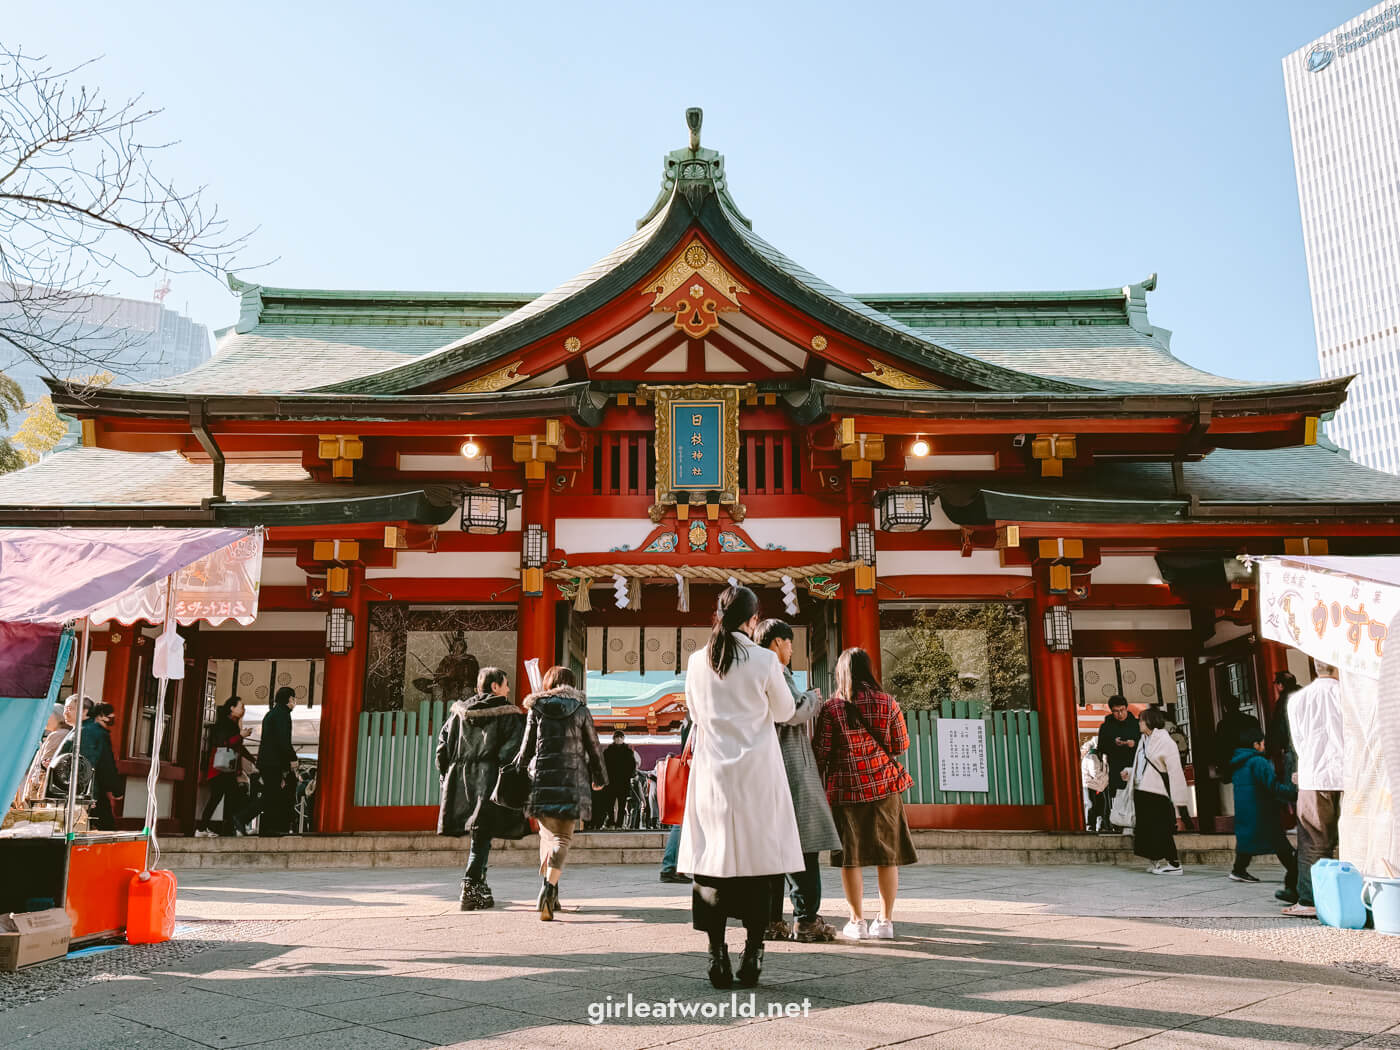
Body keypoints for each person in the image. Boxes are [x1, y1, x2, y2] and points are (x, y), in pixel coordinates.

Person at [679, 585, 802, 990]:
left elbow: (694, 714)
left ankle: (716, 953)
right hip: (757, 773)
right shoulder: (765, 659)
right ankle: (753, 952)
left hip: (713, 773)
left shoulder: (698, 661)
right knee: (758, 865)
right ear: (752, 621)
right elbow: (785, 711)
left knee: (712, 864)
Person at [813, 647, 918, 942]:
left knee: (851, 858)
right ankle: (885, 922)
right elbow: (900, 744)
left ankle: (856, 921)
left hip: (846, 790)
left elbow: (821, 753)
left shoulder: (833, 708)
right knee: (888, 856)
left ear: (841, 673)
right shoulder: (887, 702)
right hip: (884, 787)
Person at [755, 619, 842, 944]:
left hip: (767, 767)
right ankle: (806, 920)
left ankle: (770, 920)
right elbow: (790, 711)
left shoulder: (752, 672)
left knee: (772, 849)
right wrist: (813, 699)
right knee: (803, 846)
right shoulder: (776, 671)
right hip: (790, 768)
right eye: (790, 644)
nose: (792, 650)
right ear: (778, 643)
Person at [515, 665, 607, 922]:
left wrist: (520, 771)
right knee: (561, 840)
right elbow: (594, 747)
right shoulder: (580, 709)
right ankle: (548, 890)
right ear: (572, 683)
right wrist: (599, 778)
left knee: (547, 838)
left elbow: (527, 748)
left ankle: (551, 891)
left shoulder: (537, 708)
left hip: (542, 780)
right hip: (572, 781)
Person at [436, 667, 529, 911]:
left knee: (480, 836)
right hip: (490, 780)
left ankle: (480, 887)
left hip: (461, 780)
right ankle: (470, 886)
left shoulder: (458, 714)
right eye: (506, 684)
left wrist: (446, 774)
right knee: (481, 836)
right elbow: (513, 751)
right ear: (495, 686)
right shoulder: (508, 714)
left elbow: (442, 747)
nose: (508, 689)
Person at [1283, 663, 1343, 919]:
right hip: (1348, 773)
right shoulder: (1347, 694)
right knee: (1352, 837)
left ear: (1315, 669)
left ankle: (1310, 899)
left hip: (1314, 774)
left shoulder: (1298, 699)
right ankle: (1355, 894)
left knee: (1313, 842)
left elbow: (1298, 741)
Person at [1228, 729, 1299, 900]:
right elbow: (1272, 786)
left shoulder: (1238, 763)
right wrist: (1293, 793)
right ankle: (1294, 875)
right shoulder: (1258, 761)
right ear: (1256, 744)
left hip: (1246, 809)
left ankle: (1238, 870)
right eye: (1263, 743)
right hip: (1263, 809)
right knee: (1281, 845)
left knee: (1246, 841)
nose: (1264, 746)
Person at [1131, 705, 1189, 875]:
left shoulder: (1165, 741)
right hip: (1142, 788)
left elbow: (1174, 769)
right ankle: (1154, 860)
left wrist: (1179, 797)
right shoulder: (1143, 740)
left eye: (1141, 720)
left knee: (1161, 827)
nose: (1139, 723)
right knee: (1146, 828)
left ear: (1149, 721)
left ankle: (1174, 862)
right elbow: (1141, 764)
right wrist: (1129, 772)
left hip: (1157, 791)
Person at [239, 686, 298, 836]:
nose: (295, 702)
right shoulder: (283, 715)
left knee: (272, 794)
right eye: (294, 699)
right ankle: (242, 818)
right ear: (290, 699)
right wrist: (292, 758)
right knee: (272, 794)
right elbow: (283, 740)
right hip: (273, 762)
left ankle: (268, 827)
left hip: (267, 761)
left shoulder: (271, 714)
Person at [195, 696, 256, 837]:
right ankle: (210, 828)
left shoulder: (232, 724)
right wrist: (241, 735)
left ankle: (222, 828)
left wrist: (252, 759)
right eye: (241, 707)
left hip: (226, 769)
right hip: (219, 769)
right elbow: (223, 743)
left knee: (227, 798)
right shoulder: (224, 724)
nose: (243, 710)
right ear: (232, 708)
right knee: (223, 798)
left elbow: (238, 746)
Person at [57, 702, 122, 829]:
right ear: (100, 715)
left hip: (68, 788)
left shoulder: (79, 730)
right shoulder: (96, 733)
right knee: (102, 830)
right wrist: (117, 789)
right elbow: (105, 765)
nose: (113, 717)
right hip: (89, 790)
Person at [1096, 696, 1140, 833]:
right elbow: (1101, 748)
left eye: (1122, 710)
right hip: (1116, 766)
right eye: (1116, 711)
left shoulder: (1137, 724)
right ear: (1111, 711)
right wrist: (1113, 743)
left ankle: (1138, 822)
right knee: (1117, 797)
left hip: (1135, 764)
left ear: (1127, 708)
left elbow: (1146, 743)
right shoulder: (1106, 727)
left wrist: (1134, 744)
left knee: (1137, 794)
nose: (1120, 714)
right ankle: (1118, 824)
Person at [659, 713, 692, 884]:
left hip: (688, 771)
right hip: (694, 772)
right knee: (682, 822)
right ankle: (671, 866)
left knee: (682, 822)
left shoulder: (688, 720)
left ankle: (673, 866)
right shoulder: (698, 717)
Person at [1214, 694, 1262, 774]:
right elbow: (1259, 742)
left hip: (1232, 765)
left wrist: (1221, 766)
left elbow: (1220, 748)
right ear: (1238, 705)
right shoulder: (1251, 720)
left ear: (1225, 708)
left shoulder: (1222, 725)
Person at [1266, 671, 1300, 784]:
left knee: (1292, 787)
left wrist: (1271, 749)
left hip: (1291, 748)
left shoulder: (1283, 702)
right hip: (1311, 747)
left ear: (1280, 685)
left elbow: (1279, 728)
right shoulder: (1306, 695)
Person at [603, 731, 639, 828]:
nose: (618, 739)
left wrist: (630, 775)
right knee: (609, 803)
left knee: (622, 804)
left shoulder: (628, 752)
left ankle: (619, 823)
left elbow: (632, 766)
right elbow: (603, 766)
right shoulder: (607, 751)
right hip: (611, 781)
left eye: (620, 737)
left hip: (623, 781)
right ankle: (611, 821)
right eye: (617, 737)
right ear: (613, 739)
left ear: (623, 739)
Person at [1081, 740, 1110, 832]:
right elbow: (1096, 774)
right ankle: (1090, 825)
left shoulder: (1098, 756)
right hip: (1091, 785)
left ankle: (1099, 825)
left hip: (1098, 785)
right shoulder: (1092, 757)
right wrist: (1106, 778)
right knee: (1091, 805)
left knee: (1101, 805)